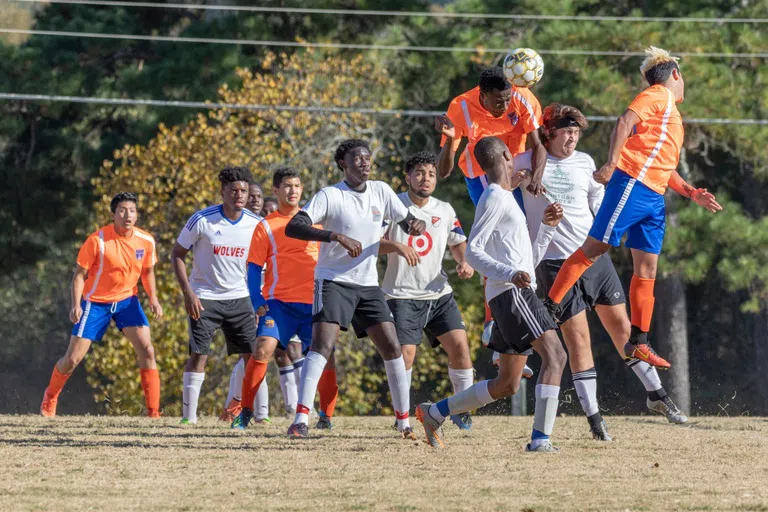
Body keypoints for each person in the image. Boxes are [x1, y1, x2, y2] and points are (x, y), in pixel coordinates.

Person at [544, 47, 722, 369]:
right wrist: (612, 163)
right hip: (632, 185)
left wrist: (692, 192)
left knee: (647, 268)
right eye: (682, 77)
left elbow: (665, 169)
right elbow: (624, 120)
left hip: (653, 197)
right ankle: (549, 307)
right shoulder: (658, 95)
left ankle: (639, 342)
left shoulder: (672, 116)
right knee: (596, 247)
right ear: (675, 75)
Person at [519, 103, 687, 440]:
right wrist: (521, 178)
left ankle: (658, 397)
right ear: (548, 132)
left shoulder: (584, 162)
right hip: (554, 264)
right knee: (579, 342)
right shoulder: (527, 162)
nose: (573, 138)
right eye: (566, 131)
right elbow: (497, 179)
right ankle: (596, 421)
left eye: (577, 132)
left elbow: (599, 203)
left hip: (593, 257)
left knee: (624, 330)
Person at [416, 136, 566, 452]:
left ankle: (434, 413)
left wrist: (548, 228)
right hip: (513, 294)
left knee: (507, 384)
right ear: (507, 156)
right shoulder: (494, 197)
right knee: (556, 356)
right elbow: (473, 253)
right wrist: (510, 274)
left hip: (514, 291)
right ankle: (541, 441)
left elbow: (526, 262)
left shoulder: (506, 198)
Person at [283, 138, 426, 439]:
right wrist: (334, 236)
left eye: (367, 157)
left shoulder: (382, 191)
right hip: (333, 281)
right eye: (356, 158)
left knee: (393, 347)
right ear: (342, 164)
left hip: (367, 285)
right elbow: (294, 226)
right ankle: (300, 420)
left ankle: (404, 422)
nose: (364, 162)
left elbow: (408, 219)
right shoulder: (331, 195)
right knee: (322, 346)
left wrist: (416, 225)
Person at [232, 167, 339, 430]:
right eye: (287, 186)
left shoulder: (315, 222)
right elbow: (254, 267)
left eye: (297, 186)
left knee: (327, 356)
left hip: (314, 303)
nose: (293, 191)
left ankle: (326, 415)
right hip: (278, 304)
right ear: (276, 191)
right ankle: (246, 411)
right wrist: (257, 300)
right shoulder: (266, 225)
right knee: (262, 349)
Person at [40, 192, 163, 417]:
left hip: (127, 301)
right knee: (73, 359)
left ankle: (153, 412)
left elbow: (148, 272)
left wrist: (153, 299)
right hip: (95, 303)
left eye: (132, 211)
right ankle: (50, 396)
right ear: (113, 214)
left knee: (147, 349)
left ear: (137, 215)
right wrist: (76, 305)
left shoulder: (146, 241)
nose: (128, 215)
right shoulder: (97, 241)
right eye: (123, 211)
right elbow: (79, 276)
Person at [379, 151, 476, 430]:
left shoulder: (444, 209)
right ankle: (403, 419)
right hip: (402, 295)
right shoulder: (394, 205)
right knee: (405, 356)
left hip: (439, 293)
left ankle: (462, 409)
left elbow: (458, 242)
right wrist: (397, 246)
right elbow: (374, 242)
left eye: (431, 174)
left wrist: (463, 262)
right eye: (420, 173)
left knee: (460, 348)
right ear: (408, 176)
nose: (426, 178)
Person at [170, 167, 261, 424]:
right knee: (199, 355)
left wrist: (258, 299)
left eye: (243, 191)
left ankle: (248, 414)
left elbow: (261, 265)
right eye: (233, 191)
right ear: (222, 192)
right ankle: (189, 418)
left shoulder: (256, 224)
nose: (239, 195)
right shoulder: (202, 220)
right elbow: (177, 254)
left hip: (240, 298)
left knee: (253, 356)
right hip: (204, 297)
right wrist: (188, 293)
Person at [435, 66, 547, 209]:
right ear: (483, 96)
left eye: (508, 99)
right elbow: (443, 172)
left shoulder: (523, 97)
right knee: (499, 224)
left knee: (524, 225)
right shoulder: (461, 107)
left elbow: (538, 146)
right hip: (482, 174)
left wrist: (537, 179)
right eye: (499, 101)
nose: (505, 106)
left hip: (516, 170)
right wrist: (450, 139)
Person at [218, 179, 273, 423]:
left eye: (258, 196)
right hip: (246, 296)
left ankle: (247, 407)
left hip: (272, 296)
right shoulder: (243, 227)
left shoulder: (267, 226)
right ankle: (244, 408)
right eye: (251, 196)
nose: (255, 200)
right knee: (250, 353)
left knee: (260, 354)